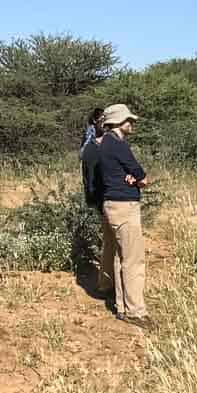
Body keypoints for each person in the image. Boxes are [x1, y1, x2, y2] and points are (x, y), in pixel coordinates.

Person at [95, 103, 154, 329]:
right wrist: (136, 178)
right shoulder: (118, 145)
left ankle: (121, 307)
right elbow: (142, 176)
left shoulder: (104, 144)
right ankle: (136, 311)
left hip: (112, 205)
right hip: (124, 206)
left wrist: (132, 176)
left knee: (121, 257)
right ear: (119, 121)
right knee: (133, 261)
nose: (132, 123)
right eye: (129, 120)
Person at [79, 122, 112, 292]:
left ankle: (105, 283)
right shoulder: (94, 149)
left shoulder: (92, 148)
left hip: (101, 199)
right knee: (111, 242)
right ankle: (107, 284)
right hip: (103, 199)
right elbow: (90, 180)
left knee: (108, 241)